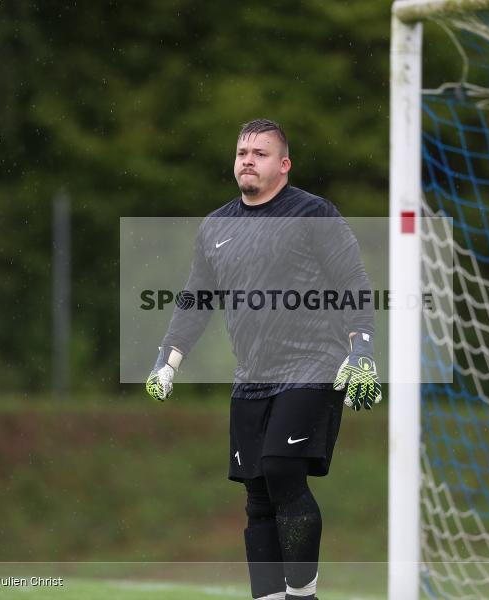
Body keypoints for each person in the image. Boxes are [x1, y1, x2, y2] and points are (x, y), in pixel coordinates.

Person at [146, 119, 381, 600]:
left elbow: (352, 282)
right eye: (241, 152)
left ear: (284, 165)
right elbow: (196, 299)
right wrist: (166, 360)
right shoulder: (216, 226)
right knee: (257, 497)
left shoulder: (313, 213)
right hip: (252, 375)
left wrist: (362, 349)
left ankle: (303, 596)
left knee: (279, 467)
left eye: (260, 152)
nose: (247, 159)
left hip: (314, 366)